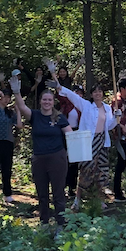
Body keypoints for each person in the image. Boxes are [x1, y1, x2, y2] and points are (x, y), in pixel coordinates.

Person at [50, 59, 118, 208]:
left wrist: (117, 118)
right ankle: (78, 200)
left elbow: (110, 125)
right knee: (86, 170)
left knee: (101, 171)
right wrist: (54, 76)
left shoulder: (107, 108)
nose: (98, 94)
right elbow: (68, 94)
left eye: (100, 91)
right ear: (92, 94)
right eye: (95, 92)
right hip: (88, 141)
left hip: (102, 141)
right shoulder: (86, 105)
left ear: (103, 94)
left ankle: (99, 200)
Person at [9, 75, 73, 225]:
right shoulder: (35, 116)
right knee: (42, 194)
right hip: (39, 159)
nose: (47, 102)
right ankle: (44, 223)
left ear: (53, 102)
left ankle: (60, 224)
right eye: (44, 99)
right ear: (40, 101)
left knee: (58, 194)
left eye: (50, 100)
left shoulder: (59, 117)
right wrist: (16, 92)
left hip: (57, 158)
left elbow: (70, 134)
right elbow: (23, 107)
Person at [0, 85, 23, 203]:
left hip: (7, 142)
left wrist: (18, 111)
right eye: (4, 97)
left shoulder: (10, 112)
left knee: (7, 169)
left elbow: (19, 125)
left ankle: (7, 193)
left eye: (8, 97)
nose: (6, 99)